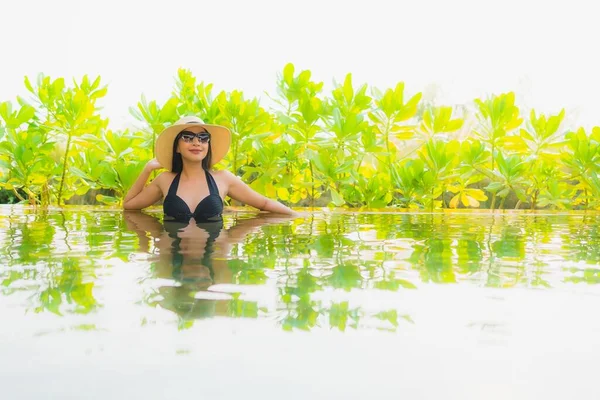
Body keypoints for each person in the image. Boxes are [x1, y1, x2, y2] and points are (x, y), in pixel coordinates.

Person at [123, 210, 295, 322]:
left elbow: (263, 209)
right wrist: (148, 169)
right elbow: (130, 209)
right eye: (204, 281)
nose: (199, 276)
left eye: (194, 280)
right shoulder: (218, 248)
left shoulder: (220, 246)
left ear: (180, 275)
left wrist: (294, 215)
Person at [123, 115, 296, 221]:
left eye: (203, 137)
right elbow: (129, 205)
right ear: (176, 146)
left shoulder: (223, 178)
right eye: (188, 137)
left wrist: (296, 216)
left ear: (208, 144)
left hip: (211, 257)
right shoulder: (165, 180)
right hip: (174, 259)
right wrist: (146, 170)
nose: (197, 142)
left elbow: (264, 203)